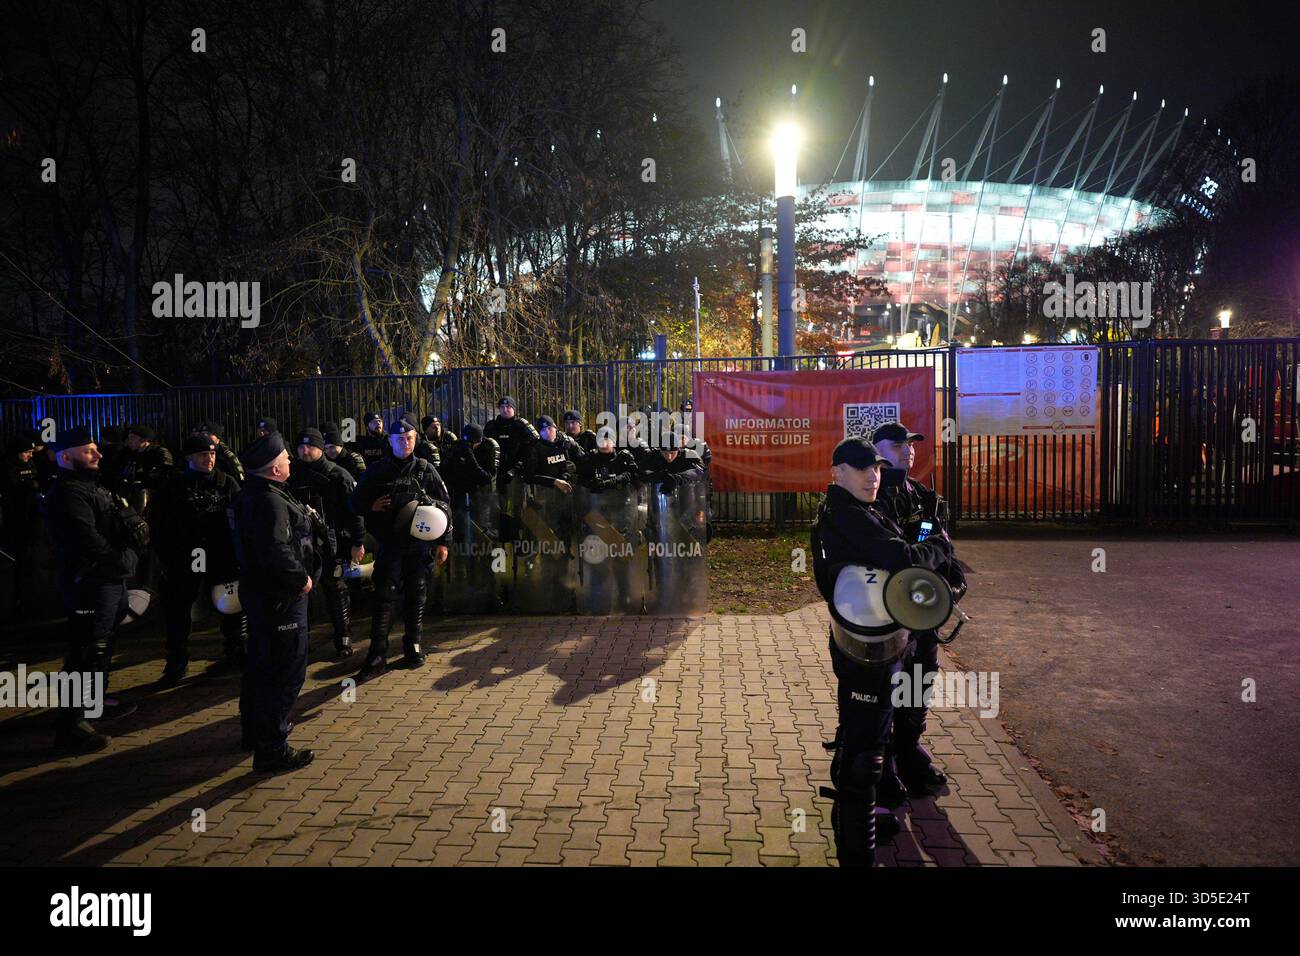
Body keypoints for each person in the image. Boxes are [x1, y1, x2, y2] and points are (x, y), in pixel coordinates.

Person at [810, 437, 957, 867]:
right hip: (868, 652)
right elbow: (904, 556)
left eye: (875, 468)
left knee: (862, 743)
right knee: (865, 758)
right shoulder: (849, 515)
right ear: (837, 472)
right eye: (862, 468)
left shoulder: (859, 509)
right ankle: (857, 853)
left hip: (871, 643)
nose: (873, 475)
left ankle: (862, 817)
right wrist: (940, 547)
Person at [869, 420, 959, 801]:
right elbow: (896, 556)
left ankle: (908, 749)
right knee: (887, 686)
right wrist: (929, 551)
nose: (908, 450)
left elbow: (941, 541)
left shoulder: (921, 495)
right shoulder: (869, 498)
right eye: (898, 444)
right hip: (887, 616)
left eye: (911, 445)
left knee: (920, 680)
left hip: (924, 610)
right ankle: (884, 762)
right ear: (878, 451)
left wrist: (953, 583)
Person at [44, 426, 143, 753]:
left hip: (108, 581)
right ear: (66, 456)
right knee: (86, 650)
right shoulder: (69, 494)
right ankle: (70, 727)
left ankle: (90, 706)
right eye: (89, 451)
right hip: (90, 583)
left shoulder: (91, 486)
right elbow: (86, 540)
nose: (98, 455)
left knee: (100, 645)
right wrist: (121, 559)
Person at [230, 431, 318, 774]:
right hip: (282, 598)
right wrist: (301, 579)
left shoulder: (255, 495)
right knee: (285, 672)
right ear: (273, 468)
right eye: (284, 457)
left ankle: (256, 732)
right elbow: (275, 550)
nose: (290, 460)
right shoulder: (269, 502)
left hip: (263, 595)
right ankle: (272, 748)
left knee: (261, 667)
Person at [349, 418, 451, 681]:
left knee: (417, 594)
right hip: (389, 544)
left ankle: (413, 645)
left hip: (419, 546)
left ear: (415, 439)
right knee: (385, 597)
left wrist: (444, 542)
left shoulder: (426, 469)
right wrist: (371, 505)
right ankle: (377, 653)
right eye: (399, 439)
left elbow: (445, 506)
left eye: (409, 438)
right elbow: (354, 502)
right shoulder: (377, 471)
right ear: (390, 441)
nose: (405, 443)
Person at [149, 433, 246, 685]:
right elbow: (159, 524)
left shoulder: (227, 483)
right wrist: (169, 556)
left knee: (232, 605)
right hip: (186, 557)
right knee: (179, 610)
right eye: (203, 454)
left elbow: (242, 519)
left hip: (221, 556)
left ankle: (236, 651)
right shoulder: (174, 487)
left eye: (212, 454)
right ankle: (176, 662)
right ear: (190, 457)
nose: (209, 459)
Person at [288, 427, 365, 659]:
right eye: (300, 446)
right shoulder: (292, 475)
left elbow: (355, 511)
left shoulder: (338, 475)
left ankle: (343, 638)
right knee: (302, 591)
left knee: (336, 589)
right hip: (301, 545)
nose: (304, 451)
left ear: (320, 448)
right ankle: (302, 640)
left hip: (333, 542)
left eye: (309, 446)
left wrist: (357, 540)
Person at [1, 436, 42, 614]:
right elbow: (13, 486)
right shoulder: (6, 466)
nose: (29, 456)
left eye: (31, 452)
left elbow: (35, 481)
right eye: (26, 452)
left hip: (31, 513)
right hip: (13, 515)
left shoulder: (29, 465)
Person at [106, 424, 174, 514]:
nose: (129, 441)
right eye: (129, 438)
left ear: (143, 440)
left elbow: (166, 476)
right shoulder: (127, 453)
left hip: (153, 499)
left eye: (133, 438)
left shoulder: (160, 453)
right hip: (128, 499)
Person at [483, 396, 539, 493]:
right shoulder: (491, 426)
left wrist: (519, 467)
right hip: (497, 472)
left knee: (518, 504)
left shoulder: (522, 425)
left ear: (514, 408)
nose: (505, 410)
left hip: (517, 472)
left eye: (508, 407)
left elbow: (534, 446)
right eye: (502, 407)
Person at [522, 415, 581, 495]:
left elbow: (582, 461)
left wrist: (570, 474)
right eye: (543, 430)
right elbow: (528, 477)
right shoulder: (534, 448)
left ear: (555, 429)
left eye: (549, 428)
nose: (547, 432)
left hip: (569, 492)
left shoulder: (566, 442)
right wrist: (554, 481)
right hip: (544, 495)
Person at [442, 424, 499, 500]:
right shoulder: (459, 447)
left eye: (471, 443)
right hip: (462, 490)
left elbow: (486, 478)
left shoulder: (488, 448)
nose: (469, 445)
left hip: (482, 493)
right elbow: (447, 472)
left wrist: (469, 455)